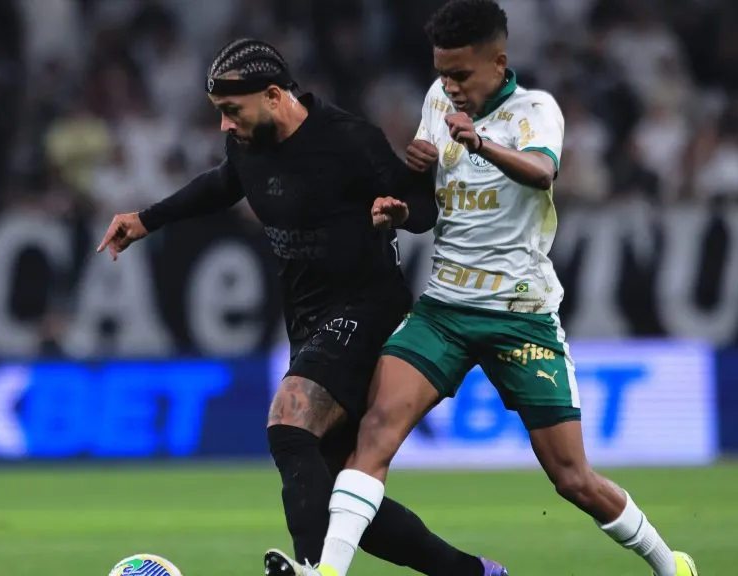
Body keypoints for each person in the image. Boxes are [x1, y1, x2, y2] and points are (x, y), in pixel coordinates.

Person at [264, 2, 698, 576]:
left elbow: (542, 172)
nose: (450, 85)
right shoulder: (439, 101)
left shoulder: (535, 111)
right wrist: (404, 202)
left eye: (461, 74)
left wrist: (479, 143)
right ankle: (327, 572)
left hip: (520, 314)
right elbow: (427, 206)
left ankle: (671, 565)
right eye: (442, 73)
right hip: (444, 309)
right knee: (374, 434)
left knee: (573, 478)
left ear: (498, 62)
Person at [97, 38, 507, 576]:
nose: (224, 125)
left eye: (231, 111)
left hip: (368, 309)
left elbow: (422, 207)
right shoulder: (248, 144)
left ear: (273, 95)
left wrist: (400, 212)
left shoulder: (347, 139)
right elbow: (223, 184)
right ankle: (477, 574)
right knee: (343, 496)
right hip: (309, 320)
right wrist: (147, 219)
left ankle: (313, 570)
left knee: (288, 419)